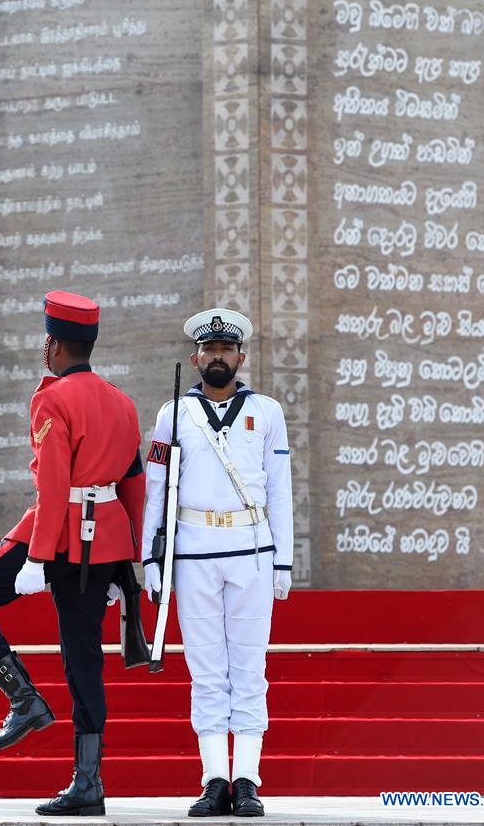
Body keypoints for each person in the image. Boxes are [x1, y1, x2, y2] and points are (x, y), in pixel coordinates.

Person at [0, 290, 145, 818]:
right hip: (105, 546)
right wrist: (137, 561)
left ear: (52, 344)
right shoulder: (122, 401)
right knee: (84, 661)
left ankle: (23, 699)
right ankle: (89, 783)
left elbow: (53, 487)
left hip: (55, 537)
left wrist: (36, 557)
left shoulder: (51, 398)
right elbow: (134, 484)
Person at [142, 308, 293, 817]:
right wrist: (152, 557)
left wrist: (284, 560)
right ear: (196, 358)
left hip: (250, 550)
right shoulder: (172, 415)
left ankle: (248, 778)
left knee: (250, 669)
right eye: (210, 350)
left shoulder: (267, 412)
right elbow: (157, 491)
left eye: (227, 350)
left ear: (241, 357)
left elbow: (280, 491)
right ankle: (214, 778)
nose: (218, 357)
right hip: (193, 550)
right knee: (206, 671)